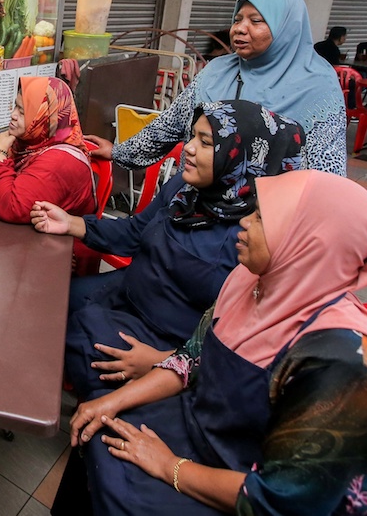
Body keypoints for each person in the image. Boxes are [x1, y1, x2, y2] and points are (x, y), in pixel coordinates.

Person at [55, 169, 367, 516]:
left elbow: (280, 501)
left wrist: (169, 467)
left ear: (308, 243)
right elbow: (190, 360)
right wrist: (111, 402)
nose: (243, 223)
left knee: (123, 488)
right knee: (100, 426)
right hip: (210, 432)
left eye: (260, 219)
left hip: (254, 481)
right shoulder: (249, 278)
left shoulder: (344, 368)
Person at [31, 100, 303, 399]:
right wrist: (71, 224)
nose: (188, 148)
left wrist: (165, 360)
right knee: (46, 303)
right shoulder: (184, 189)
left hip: (167, 340)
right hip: (128, 294)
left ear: (241, 158)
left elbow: (245, 337)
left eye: (206, 142)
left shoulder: (257, 232)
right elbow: (135, 232)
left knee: (88, 351)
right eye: (193, 137)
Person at [89, 0, 346, 176]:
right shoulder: (218, 70)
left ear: (287, 28)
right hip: (192, 203)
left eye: (255, 21)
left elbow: (326, 174)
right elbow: (170, 125)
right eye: (237, 19)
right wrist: (118, 151)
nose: (239, 28)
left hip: (259, 222)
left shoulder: (318, 87)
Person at [0, 77, 96, 223]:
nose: (13, 115)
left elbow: (12, 209)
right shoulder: (31, 144)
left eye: (22, 112)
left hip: (56, 242)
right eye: (16, 107)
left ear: (44, 117)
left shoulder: (59, 161)